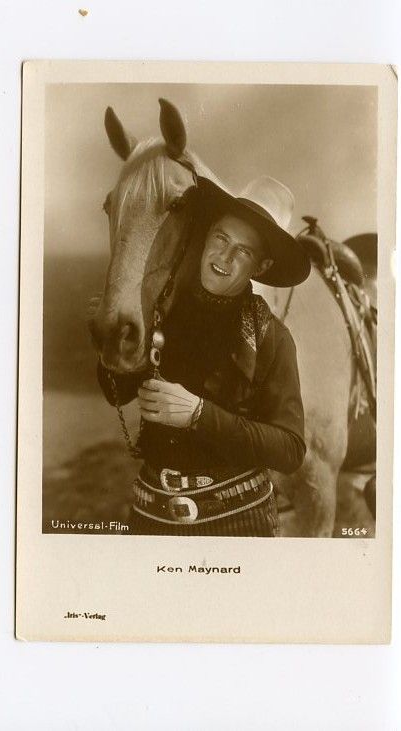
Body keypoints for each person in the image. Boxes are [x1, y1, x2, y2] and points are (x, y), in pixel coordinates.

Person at [97, 175, 311, 536]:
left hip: (240, 522)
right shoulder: (163, 311)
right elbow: (113, 389)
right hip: (151, 516)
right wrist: (112, 340)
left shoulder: (271, 336)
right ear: (207, 235)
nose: (223, 257)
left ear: (261, 268)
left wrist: (198, 414)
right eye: (221, 238)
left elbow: (290, 450)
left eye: (242, 251)